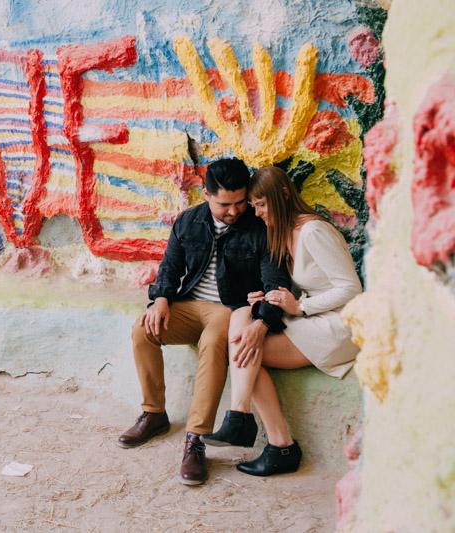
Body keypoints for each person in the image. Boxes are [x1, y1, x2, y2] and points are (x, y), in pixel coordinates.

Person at [117, 158, 291, 486]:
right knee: (142, 328)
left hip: (231, 310)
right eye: (226, 204)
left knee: (213, 342)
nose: (236, 210)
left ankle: (196, 440)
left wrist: (263, 319)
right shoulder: (187, 222)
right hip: (187, 306)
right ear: (207, 193)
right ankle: (154, 413)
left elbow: (276, 284)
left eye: (241, 201)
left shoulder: (259, 229)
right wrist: (161, 299)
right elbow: (169, 268)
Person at [201, 165, 362, 476]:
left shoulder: (314, 231)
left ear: (284, 195)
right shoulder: (284, 232)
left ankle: (273, 441)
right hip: (317, 317)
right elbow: (304, 287)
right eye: (254, 205)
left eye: (262, 204)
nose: (257, 213)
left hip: (341, 325)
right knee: (243, 316)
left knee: (243, 349)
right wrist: (269, 300)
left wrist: (299, 307)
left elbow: (350, 288)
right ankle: (243, 420)